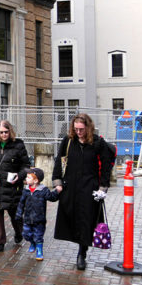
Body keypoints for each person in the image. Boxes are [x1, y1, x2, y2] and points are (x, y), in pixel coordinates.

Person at [51, 113, 112, 270]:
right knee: (72, 217)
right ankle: (79, 245)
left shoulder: (98, 143)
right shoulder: (68, 141)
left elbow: (106, 167)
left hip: (89, 187)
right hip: (70, 186)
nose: (78, 132)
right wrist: (57, 182)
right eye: (76, 129)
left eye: (81, 129)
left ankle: (81, 253)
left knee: (86, 220)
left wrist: (103, 188)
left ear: (88, 128)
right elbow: (59, 161)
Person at [0, 120, 30, 253]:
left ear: (10, 131)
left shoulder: (18, 145)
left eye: (6, 132)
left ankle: (19, 232)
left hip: (12, 186)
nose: (4, 135)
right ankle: (0, 242)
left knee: (15, 213)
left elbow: (26, 166)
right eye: (1, 132)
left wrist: (19, 176)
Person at [15, 168, 61, 260]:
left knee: (38, 236)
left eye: (28, 177)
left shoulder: (43, 190)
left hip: (39, 219)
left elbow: (51, 197)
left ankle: (39, 251)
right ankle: (32, 243)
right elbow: (21, 203)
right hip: (27, 218)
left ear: (36, 180)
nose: (26, 179)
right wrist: (19, 214)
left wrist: (57, 191)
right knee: (26, 234)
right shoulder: (26, 190)